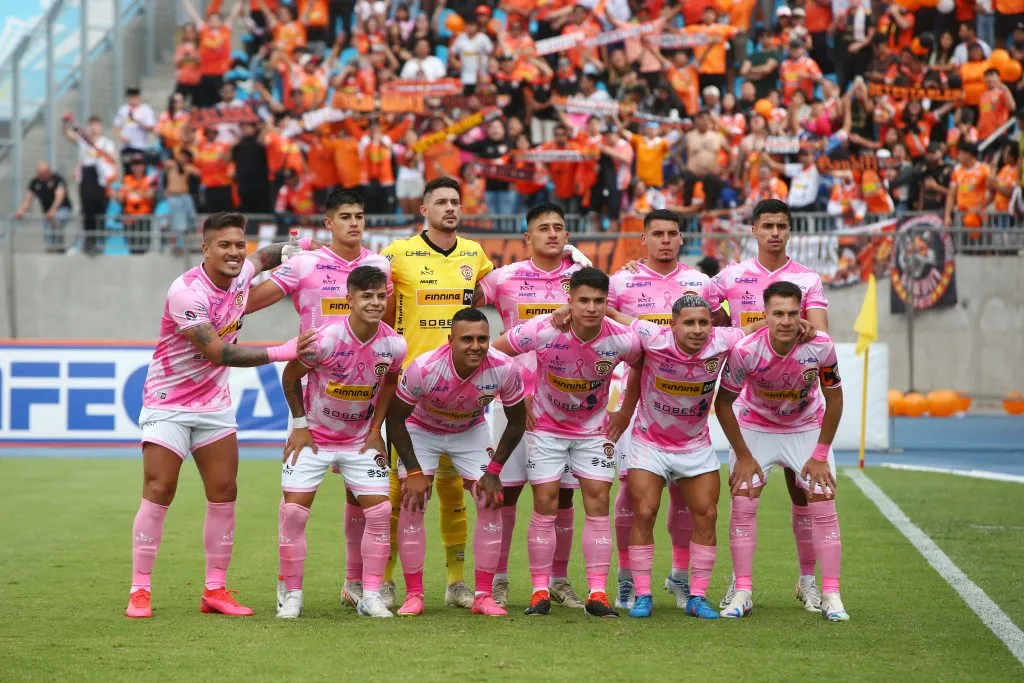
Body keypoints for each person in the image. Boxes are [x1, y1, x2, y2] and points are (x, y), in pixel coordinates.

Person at [125, 212, 314, 619]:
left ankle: (215, 589)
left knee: (224, 491)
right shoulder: (186, 292)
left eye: (237, 244)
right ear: (205, 248)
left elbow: (264, 256)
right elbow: (219, 352)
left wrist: (297, 251)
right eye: (223, 245)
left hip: (213, 404)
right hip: (168, 402)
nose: (233, 252)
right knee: (160, 489)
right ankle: (139, 590)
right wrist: (283, 351)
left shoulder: (243, 268)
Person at [246, 189, 393, 610]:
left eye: (359, 216)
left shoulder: (379, 266)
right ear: (328, 223)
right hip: (313, 402)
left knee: (365, 504)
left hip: (361, 408)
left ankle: (358, 587)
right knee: (295, 512)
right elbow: (249, 303)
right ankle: (289, 592)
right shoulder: (304, 263)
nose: (353, 223)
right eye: (344, 216)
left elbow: (390, 319)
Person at [607, 295, 772, 619]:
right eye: (690, 323)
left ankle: (697, 596)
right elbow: (613, 315)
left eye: (704, 323)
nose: (698, 330)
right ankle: (642, 594)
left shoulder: (722, 340)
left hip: (694, 444)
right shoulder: (653, 337)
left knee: (707, 513)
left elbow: (754, 326)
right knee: (645, 510)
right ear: (673, 325)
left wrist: (799, 325)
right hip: (649, 442)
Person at [703, 198, 831, 613]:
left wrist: (806, 327)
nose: (775, 232)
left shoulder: (807, 278)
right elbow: (690, 300)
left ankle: (809, 582)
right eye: (767, 226)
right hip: (749, 401)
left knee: (802, 495)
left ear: (789, 231)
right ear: (753, 231)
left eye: (782, 226)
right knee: (743, 499)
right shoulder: (732, 276)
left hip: (799, 405)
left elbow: (819, 334)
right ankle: (740, 588)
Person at [492, 268, 642, 618]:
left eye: (599, 301)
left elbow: (643, 364)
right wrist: (520, 396)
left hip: (593, 433)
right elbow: (494, 354)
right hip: (545, 429)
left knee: (598, 502)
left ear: (608, 303)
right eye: (583, 300)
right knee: (544, 503)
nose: (591, 308)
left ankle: (598, 593)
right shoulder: (543, 329)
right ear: (569, 301)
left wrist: (624, 410)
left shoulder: (622, 338)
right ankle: (540, 591)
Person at [380, 177, 496, 611]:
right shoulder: (398, 253)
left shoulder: (474, 254)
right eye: (441, 202)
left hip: (463, 390)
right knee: (402, 491)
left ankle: (456, 583)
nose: (450, 208)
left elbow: (492, 290)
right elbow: (367, 290)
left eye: (455, 202)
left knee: (453, 490)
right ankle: (388, 581)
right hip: (412, 388)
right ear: (424, 210)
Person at [276, 266, 407, 619]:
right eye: (367, 296)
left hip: (358, 442)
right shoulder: (326, 339)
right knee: (293, 513)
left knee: (379, 512)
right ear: (349, 299)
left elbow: (391, 385)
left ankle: (372, 595)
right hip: (314, 437)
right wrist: (300, 426)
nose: (375, 303)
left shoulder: (394, 344)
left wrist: (376, 428)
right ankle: (290, 593)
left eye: (381, 296)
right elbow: (290, 378)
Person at [472, 203, 586, 609]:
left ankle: (559, 578)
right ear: (528, 237)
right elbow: (462, 297)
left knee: (565, 497)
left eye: (559, 227)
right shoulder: (504, 279)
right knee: (505, 491)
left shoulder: (581, 281)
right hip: (514, 404)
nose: (552, 234)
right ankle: (499, 579)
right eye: (543, 228)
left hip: (568, 408)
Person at [715, 281, 848, 622]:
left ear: (801, 314)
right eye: (778, 314)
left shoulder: (820, 346)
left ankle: (829, 593)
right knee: (743, 497)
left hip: (805, 426)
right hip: (756, 426)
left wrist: (819, 455)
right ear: (765, 315)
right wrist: (743, 456)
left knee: (822, 496)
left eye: (792, 313)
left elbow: (835, 400)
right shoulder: (745, 349)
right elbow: (723, 403)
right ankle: (742, 590)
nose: (786, 321)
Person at [386, 308, 527, 617]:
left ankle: (483, 596)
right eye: (466, 339)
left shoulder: (504, 368)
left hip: (469, 430)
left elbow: (517, 422)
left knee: (491, 498)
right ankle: (414, 595)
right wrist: (413, 470)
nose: (475, 346)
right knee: (412, 499)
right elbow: (394, 419)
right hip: (421, 430)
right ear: (450, 340)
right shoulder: (423, 368)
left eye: (482, 339)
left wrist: (494, 471)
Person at [606, 209, 711, 611]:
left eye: (672, 234)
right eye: (657, 234)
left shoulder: (701, 284)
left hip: (680, 402)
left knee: (686, 497)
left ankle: (680, 577)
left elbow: (716, 331)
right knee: (630, 497)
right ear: (643, 239)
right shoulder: (622, 280)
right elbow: (603, 323)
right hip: (629, 399)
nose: (665, 240)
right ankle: (627, 579)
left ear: (681, 239)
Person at [14, 161, 73, 254]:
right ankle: (50, 246)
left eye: (44, 173)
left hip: (63, 209)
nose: (42, 176)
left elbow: (59, 196)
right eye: (40, 174)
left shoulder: (57, 179)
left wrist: (53, 210)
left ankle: (58, 244)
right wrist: (21, 210)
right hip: (47, 212)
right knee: (48, 219)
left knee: (55, 218)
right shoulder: (35, 182)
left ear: (48, 171)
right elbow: (28, 199)